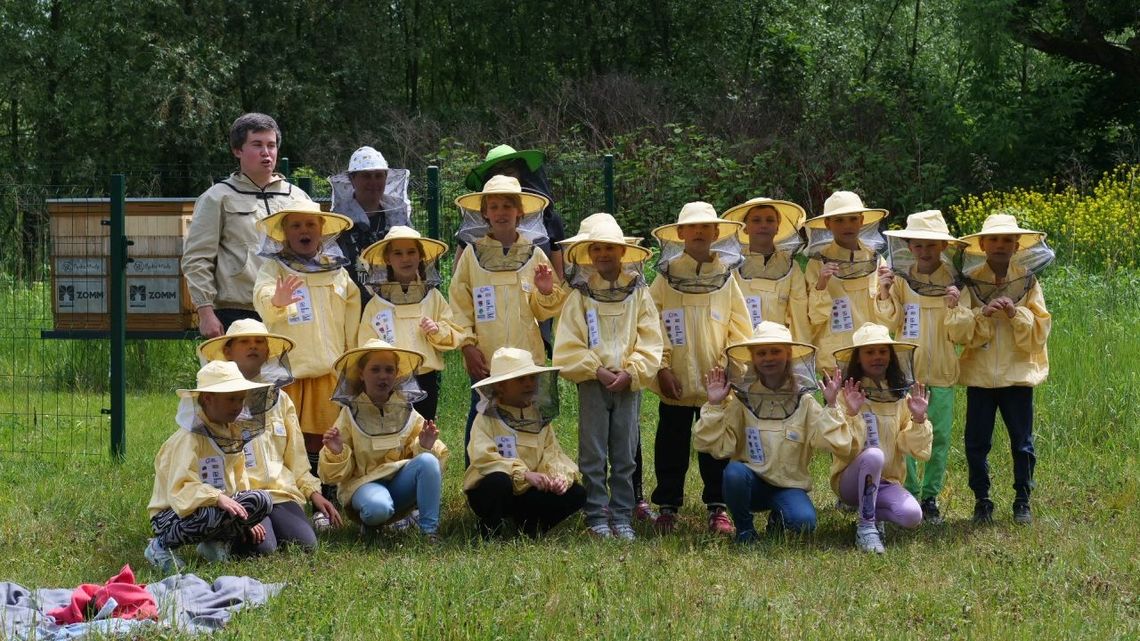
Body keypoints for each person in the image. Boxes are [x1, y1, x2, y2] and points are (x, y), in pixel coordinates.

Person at [694, 322, 859, 543]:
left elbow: (832, 443)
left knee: (804, 522)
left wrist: (831, 406)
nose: (768, 358)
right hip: (750, 484)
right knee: (733, 473)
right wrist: (714, 405)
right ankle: (745, 530)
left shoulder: (806, 401)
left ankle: (778, 520)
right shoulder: (743, 400)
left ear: (788, 355)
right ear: (753, 358)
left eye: (775, 351)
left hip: (789, 486)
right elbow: (714, 445)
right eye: (761, 353)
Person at [552, 214, 662, 540]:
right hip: (592, 384)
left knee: (625, 453)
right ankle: (596, 512)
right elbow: (568, 341)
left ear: (622, 252)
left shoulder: (639, 294)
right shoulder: (580, 295)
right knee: (593, 451)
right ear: (589, 253)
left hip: (628, 385)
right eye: (597, 248)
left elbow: (651, 338)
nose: (603, 254)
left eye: (609, 248)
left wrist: (632, 371)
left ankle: (623, 514)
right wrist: (595, 369)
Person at [647, 202, 752, 535]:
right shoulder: (665, 279)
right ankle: (667, 504)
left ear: (716, 233)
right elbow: (651, 325)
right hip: (675, 382)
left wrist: (733, 369)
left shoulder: (726, 277)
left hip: (715, 384)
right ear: (680, 234)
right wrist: (662, 368)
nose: (699, 233)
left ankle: (717, 506)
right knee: (671, 444)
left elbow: (739, 326)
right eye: (692, 228)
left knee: (715, 446)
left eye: (706, 228)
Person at [252, 201, 361, 516]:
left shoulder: (338, 271)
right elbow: (262, 299)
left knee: (324, 438)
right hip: (290, 372)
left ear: (322, 230)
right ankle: (291, 501)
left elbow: (351, 318)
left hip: (330, 370)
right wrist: (277, 299)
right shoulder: (274, 268)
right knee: (289, 440)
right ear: (284, 233)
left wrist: (353, 360)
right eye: (296, 225)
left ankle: (325, 503)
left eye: (310, 225)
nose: (304, 231)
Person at [448, 175, 566, 464]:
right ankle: (479, 479)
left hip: (528, 356)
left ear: (520, 212)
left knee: (530, 416)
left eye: (507, 206)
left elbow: (544, 311)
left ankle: (532, 476)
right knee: (482, 414)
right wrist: (468, 346)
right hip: (487, 356)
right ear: (485, 213)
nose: (501, 212)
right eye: (494, 206)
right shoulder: (472, 255)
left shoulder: (535, 253)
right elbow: (459, 306)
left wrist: (546, 291)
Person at [197, 319, 343, 550]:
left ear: (267, 352)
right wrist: (226, 500)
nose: (252, 346)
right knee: (262, 548)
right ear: (228, 351)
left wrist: (314, 493)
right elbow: (206, 458)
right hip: (240, 495)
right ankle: (218, 535)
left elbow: (296, 456)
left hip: (280, 491)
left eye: (259, 342)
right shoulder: (214, 399)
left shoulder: (281, 399)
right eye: (244, 341)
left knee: (306, 545)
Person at [949, 213, 1053, 525]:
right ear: (982, 244)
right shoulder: (969, 281)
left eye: (1007, 240)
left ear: (1016, 245)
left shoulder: (1028, 280)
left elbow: (1040, 330)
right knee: (976, 443)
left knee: (1022, 442)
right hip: (979, 375)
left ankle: (1023, 499)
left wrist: (1014, 314)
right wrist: (982, 313)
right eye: (994, 239)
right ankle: (982, 500)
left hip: (1017, 375)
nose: (1000, 245)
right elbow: (959, 330)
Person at [876, 210, 971, 524]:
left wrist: (956, 307)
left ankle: (930, 497)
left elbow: (962, 334)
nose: (925, 250)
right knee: (906, 434)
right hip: (907, 373)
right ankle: (909, 491)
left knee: (939, 436)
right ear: (908, 245)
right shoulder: (902, 280)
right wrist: (885, 292)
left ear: (943, 247)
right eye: (918, 245)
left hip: (942, 373)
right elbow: (889, 322)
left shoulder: (955, 283)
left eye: (932, 245)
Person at [183, 112, 313, 338]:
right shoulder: (217, 197)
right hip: (238, 312)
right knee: (238, 375)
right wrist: (205, 312)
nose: (266, 153)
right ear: (237, 150)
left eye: (271, 145)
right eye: (257, 145)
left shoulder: (298, 198)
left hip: (293, 311)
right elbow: (197, 258)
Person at [144, 361, 275, 573]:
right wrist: (216, 497)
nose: (237, 406)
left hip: (215, 506)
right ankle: (160, 547)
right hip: (171, 514)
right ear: (207, 398)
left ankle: (214, 544)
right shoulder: (188, 439)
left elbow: (239, 478)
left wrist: (247, 518)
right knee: (210, 513)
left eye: (241, 399)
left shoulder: (231, 433)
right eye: (231, 399)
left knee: (261, 500)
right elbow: (181, 488)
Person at [319, 339, 448, 541]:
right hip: (364, 486)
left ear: (396, 374)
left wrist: (425, 445)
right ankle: (371, 523)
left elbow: (431, 463)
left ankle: (429, 531)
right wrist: (337, 452)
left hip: (399, 483)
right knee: (377, 508)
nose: (383, 376)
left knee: (429, 461)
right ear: (361, 374)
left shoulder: (406, 409)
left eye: (389, 370)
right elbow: (331, 476)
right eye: (375, 369)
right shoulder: (348, 414)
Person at [830, 323, 932, 553]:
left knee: (912, 516)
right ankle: (866, 528)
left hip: (887, 482)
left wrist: (918, 419)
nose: (877, 357)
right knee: (874, 455)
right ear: (858, 358)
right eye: (870, 352)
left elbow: (915, 449)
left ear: (891, 356)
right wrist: (852, 412)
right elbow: (841, 447)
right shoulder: (846, 395)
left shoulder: (899, 396)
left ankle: (872, 513)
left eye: (883, 351)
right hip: (850, 482)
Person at [463, 347, 585, 539]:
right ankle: (489, 530)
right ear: (501, 386)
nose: (529, 384)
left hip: (527, 491)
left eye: (532, 378)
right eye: (521, 379)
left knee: (576, 493)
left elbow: (552, 453)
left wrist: (558, 477)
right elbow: (483, 457)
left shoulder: (538, 417)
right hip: (493, 490)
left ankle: (529, 527)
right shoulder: (486, 418)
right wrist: (524, 474)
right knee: (499, 481)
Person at [357, 226, 462, 420]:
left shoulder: (434, 297)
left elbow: (453, 331)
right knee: (394, 429)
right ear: (388, 259)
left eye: (411, 252)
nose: (405, 258)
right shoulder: (375, 304)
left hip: (426, 377)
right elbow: (366, 345)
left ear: (421, 256)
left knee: (423, 428)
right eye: (398, 253)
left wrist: (437, 329)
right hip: (389, 380)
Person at [803, 191, 888, 374]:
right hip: (834, 358)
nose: (847, 226)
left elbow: (889, 317)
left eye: (852, 219)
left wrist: (886, 290)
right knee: (835, 404)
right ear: (828, 224)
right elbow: (814, 318)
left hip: (871, 355)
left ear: (862, 220)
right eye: (839, 220)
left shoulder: (877, 261)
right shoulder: (816, 264)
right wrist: (821, 284)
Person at [721, 197, 811, 342]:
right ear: (745, 227)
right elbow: (726, 316)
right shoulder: (730, 267)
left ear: (777, 227)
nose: (763, 225)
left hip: (780, 350)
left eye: (770, 220)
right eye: (756, 220)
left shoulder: (792, 267)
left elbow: (799, 317)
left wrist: (800, 356)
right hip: (742, 349)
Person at [328, 146, 413, 300]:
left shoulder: (398, 216)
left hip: (395, 300)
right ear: (353, 180)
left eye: (378, 175)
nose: (373, 182)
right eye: (366, 176)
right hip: (351, 302)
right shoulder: (338, 221)